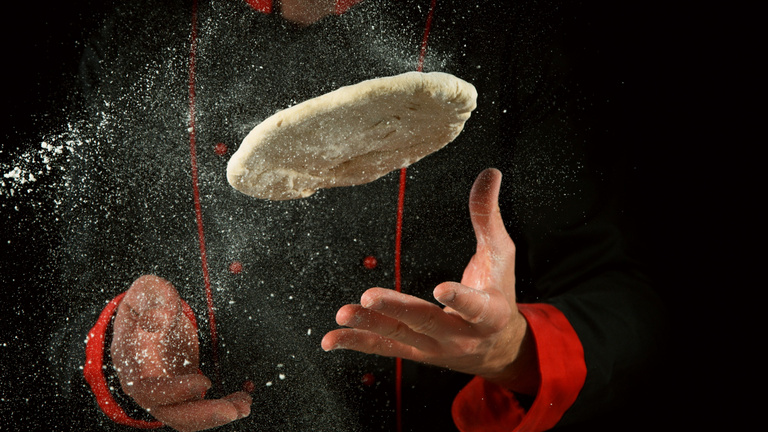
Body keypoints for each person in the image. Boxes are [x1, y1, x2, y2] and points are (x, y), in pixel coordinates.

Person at [39, 0, 666, 431]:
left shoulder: (512, 32)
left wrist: (510, 348)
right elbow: (64, 300)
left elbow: (627, 297)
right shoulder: (137, 36)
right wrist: (124, 356)